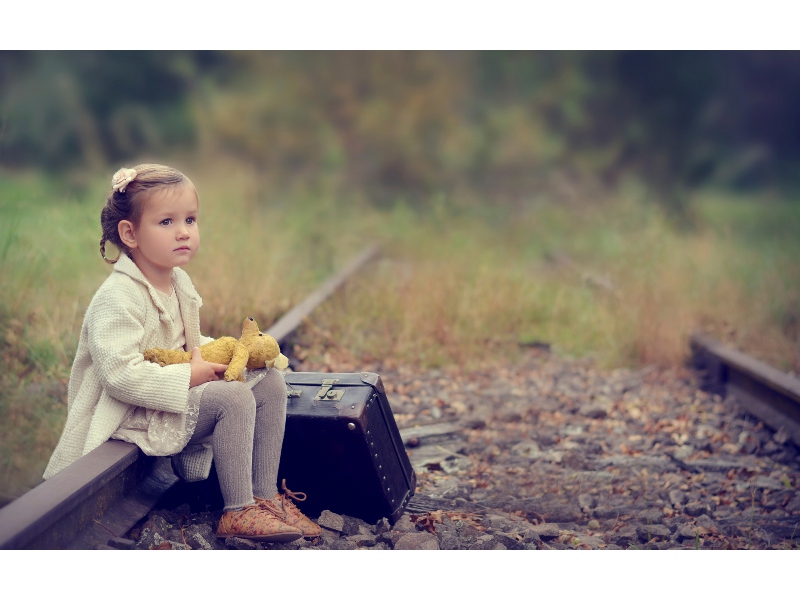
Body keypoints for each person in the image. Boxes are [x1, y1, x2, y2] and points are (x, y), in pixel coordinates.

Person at [43, 163, 321, 543]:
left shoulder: (178, 281)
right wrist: (191, 375)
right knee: (232, 397)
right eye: (166, 222)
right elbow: (120, 376)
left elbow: (184, 343)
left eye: (190, 219)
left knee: (270, 381)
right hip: (126, 409)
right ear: (130, 234)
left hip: (166, 391)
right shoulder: (117, 298)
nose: (183, 232)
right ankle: (237, 510)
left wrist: (226, 353)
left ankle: (265, 496)